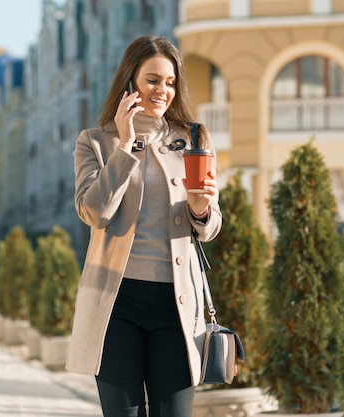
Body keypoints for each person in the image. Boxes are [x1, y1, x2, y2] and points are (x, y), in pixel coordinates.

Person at [65, 36, 222, 417]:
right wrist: (125, 145)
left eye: (170, 82)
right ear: (130, 80)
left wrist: (202, 209)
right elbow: (94, 212)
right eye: (153, 80)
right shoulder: (95, 142)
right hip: (116, 303)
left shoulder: (194, 139)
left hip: (177, 302)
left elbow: (211, 225)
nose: (162, 90)